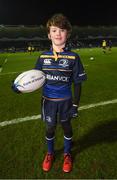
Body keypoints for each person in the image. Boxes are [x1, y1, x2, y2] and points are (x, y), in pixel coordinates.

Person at [34, 13, 87, 173]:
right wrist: (20, 87)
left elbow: (77, 83)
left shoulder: (73, 57)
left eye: (62, 30)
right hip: (48, 101)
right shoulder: (42, 57)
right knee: (50, 128)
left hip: (66, 101)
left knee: (66, 127)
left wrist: (75, 105)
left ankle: (66, 153)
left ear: (67, 34)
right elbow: (35, 79)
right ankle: (50, 153)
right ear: (49, 34)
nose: (58, 33)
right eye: (54, 30)